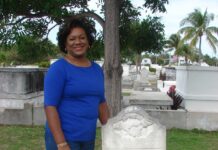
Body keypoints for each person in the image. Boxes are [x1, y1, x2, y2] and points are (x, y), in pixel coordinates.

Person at [44, 18, 109, 150]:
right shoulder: (58, 69)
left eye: (82, 38)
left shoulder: (96, 70)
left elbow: (101, 103)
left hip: (88, 138)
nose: (78, 42)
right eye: (72, 39)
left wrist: (112, 130)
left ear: (88, 41)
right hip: (64, 139)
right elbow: (50, 107)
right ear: (65, 44)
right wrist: (61, 144)